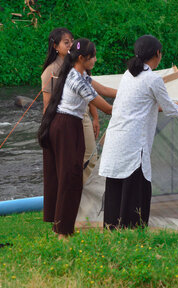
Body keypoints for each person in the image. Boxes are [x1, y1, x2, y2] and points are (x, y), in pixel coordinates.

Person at [98, 35, 178, 229]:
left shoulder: (128, 75)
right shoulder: (153, 79)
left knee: (116, 190)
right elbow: (170, 110)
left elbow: (149, 105)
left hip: (116, 140)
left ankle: (113, 231)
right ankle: (133, 232)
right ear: (157, 54)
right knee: (135, 190)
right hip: (132, 143)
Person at [38, 38, 113, 239]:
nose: (96, 60)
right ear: (82, 58)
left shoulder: (78, 74)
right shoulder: (77, 80)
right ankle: (62, 232)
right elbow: (107, 107)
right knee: (69, 178)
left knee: (68, 176)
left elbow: (106, 91)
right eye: (93, 57)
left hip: (70, 125)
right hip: (66, 127)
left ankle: (60, 228)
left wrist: (132, 92)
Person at [41, 28, 117, 183]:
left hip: (82, 115)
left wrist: (95, 117)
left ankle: (78, 191)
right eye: (66, 42)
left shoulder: (79, 70)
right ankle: (75, 191)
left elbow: (95, 93)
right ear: (55, 46)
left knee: (88, 157)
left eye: (72, 41)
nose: (70, 45)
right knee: (74, 161)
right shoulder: (54, 72)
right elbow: (47, 105)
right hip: (65, 119)